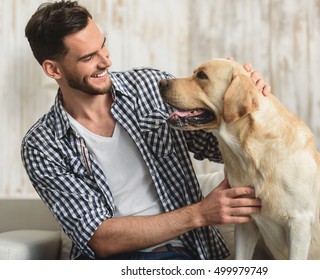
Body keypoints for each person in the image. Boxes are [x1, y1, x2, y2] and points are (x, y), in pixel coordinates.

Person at [21, 0, 270, 260]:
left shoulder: (151, 88)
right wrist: (200, 213)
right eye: (88, 57)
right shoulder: (42, 145)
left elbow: (221, 150)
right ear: (53, 69)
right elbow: (99, 238)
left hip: (180, 253)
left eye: (102, 46)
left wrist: (248, 102)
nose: (106, 61)